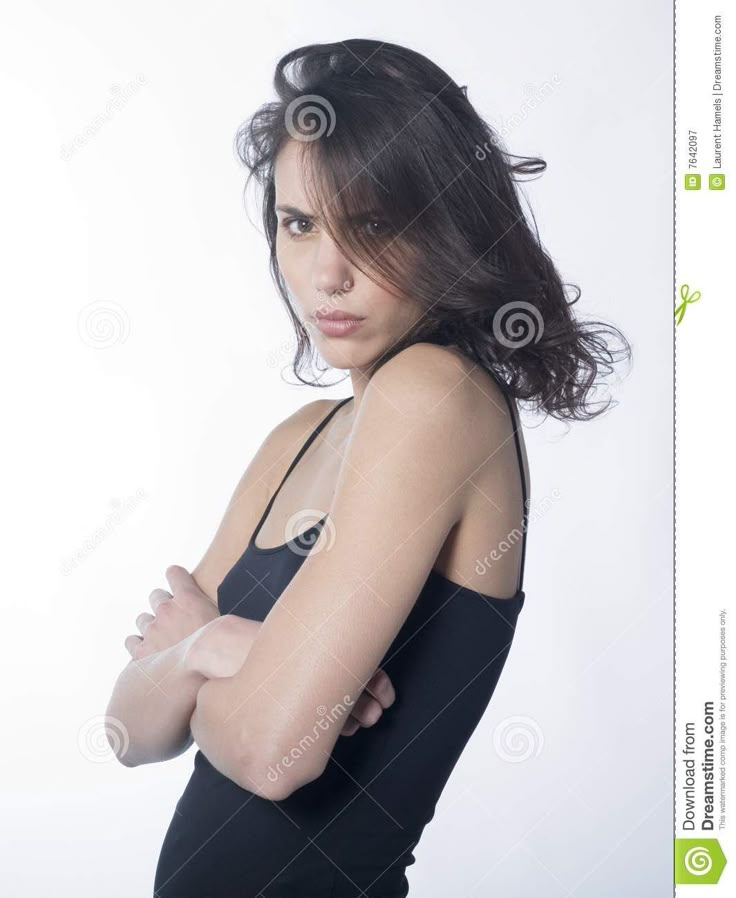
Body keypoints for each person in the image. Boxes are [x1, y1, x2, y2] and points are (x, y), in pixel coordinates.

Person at [106, 38, 631, 898]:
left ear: (446, 226)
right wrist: (222, 647)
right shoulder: (303, 436)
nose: (329, 273)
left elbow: (275, 752)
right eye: (299, 223)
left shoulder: (437, 396)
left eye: (375, 225)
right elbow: (128, 732)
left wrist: (197, 664)